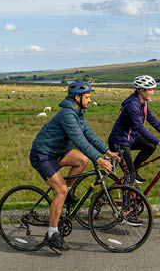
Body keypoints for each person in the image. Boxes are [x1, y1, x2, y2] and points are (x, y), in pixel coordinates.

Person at [29, 81, 120, 252]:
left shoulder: (78, 113)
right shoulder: (68, 115)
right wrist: (99, 160)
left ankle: (69, 193)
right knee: (60, 190)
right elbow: (80, 140)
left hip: (57, 152)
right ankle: (52, 234)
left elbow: (89, 135)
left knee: (82, 160)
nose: (90, 100)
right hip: (43, 155)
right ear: (77, 97)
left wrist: (107, 152)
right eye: (87, 97)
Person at [108, 75, 160, 187]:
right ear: (141, 90)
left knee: (150, 145)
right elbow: (139, 127)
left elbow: (152, 119)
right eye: (150, 89)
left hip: (129, 138)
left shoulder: (143, 103)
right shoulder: (132, 105)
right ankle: (126, 203)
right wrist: (159, 142)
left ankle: (135, 169)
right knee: (129, 174)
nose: (152, 92)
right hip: (119, 141)